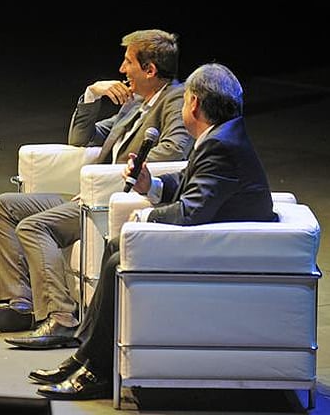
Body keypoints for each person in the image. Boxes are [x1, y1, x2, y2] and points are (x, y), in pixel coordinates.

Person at [31, 62, 279, 400]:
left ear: (193, 104)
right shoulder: (222, 136)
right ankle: (87, 359)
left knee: (120, 252)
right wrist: (153, 184)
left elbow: (191, 211)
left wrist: (144, 219)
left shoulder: (220, 145)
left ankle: (94, 369)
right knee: (116, 248)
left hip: (222, 253)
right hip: (219, 241)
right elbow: (195, 187)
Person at [0, 30, 193, 349]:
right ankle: (23, 305)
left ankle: (61, 319)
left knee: (35, 226)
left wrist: (116, 173)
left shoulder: (174, 99)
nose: (121, 69)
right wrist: (92, 94)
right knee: (5, 207)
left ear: (149, 70)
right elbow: (81, 139)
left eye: (128, 62)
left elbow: (175, 149)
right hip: (90, 192)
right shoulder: (136, 104)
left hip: (112, 199)